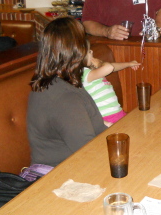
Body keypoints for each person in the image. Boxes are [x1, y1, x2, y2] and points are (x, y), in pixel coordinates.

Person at [28, 17, 107, 167]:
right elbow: (89, 152)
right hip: (62, 177)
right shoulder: (65, 98)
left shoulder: (52, 82)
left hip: (72, 168)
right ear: (77, 50)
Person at [83, 42, 140, 126]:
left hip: (118, 113)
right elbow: (109, 67)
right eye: (88, 51)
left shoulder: (90, 70)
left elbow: (112, 67)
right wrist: (100, 63)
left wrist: (129, 64)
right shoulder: (83, 73)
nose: (91, 51)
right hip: (107, 118)